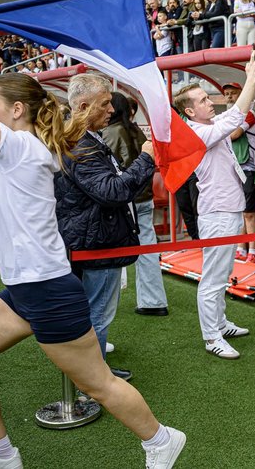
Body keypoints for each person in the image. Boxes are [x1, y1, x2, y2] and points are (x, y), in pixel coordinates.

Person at [0, 10, 185, 469]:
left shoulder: (19, 146)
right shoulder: (20, 139)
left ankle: (160, 439)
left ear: (15, 111)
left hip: (47, 288)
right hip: (26, 287)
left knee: (99, 384)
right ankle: (0, 455)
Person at [54, 73, 156, 382]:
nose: (111, 110)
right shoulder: (81, 146)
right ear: (83, 106)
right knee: (97, 314)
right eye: (105, 103)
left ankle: (93, 374)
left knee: (95, 312)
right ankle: (94, 382)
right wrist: (147, 158)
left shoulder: (85, 140)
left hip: (94, 238)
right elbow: (112, 191)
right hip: (96, 242)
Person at [177, 54, 255, 360]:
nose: (210, 102)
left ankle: (220, 324)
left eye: (206, 98)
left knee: (223, 272)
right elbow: (236, 116)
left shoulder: (207, 124)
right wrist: (251, 79)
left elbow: (233, 118)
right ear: (189, 110)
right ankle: (212, 336)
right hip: (216, 213)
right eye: (202, 100)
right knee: (213, 278)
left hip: (227, 209)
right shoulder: (197, 132)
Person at [102, 92, 168, 317]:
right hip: (144, 196)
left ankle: (104, 305)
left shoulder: (110, 132)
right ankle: (154, 301)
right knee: (147, 249)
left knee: (111, 251)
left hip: (124, 200)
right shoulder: (136, 131)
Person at [224, 81, 255, 262]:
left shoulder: (250, 114)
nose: (230, 96)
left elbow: (233, 134)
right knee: (240, 210)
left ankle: (253, 250)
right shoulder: (229, 115)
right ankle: (241, 247)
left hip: (250, 167)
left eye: (233, 93)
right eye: (227, 94)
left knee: (249, 211)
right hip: (236, 167)